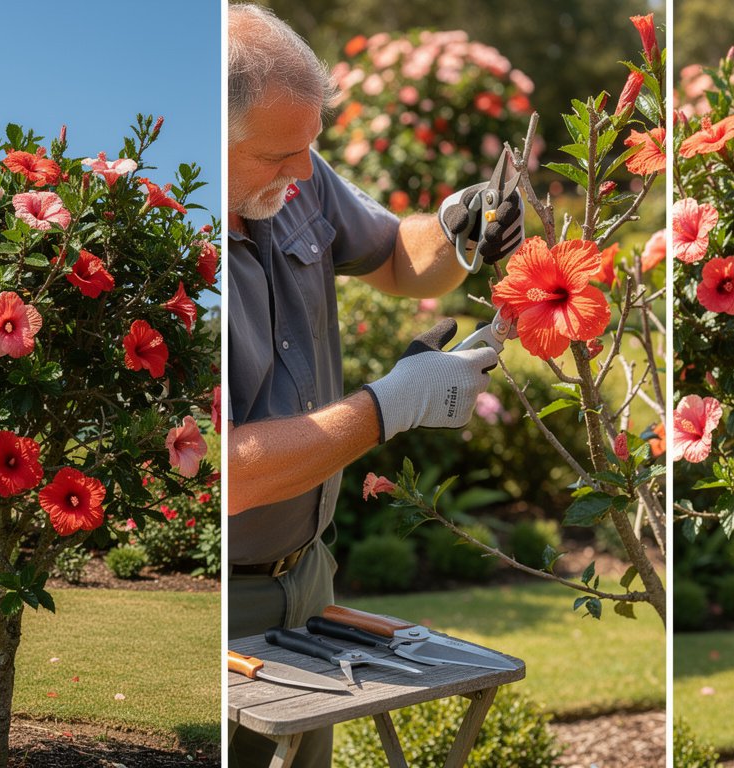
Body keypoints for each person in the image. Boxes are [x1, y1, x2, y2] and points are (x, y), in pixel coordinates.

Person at [226, 5, 522, 766]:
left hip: (308, 574)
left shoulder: (295, 170)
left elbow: (397, 255)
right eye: (278, 157)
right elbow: (224, 474)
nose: (301, 176)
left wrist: (457, 224)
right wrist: (392, 405)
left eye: (309, 149)